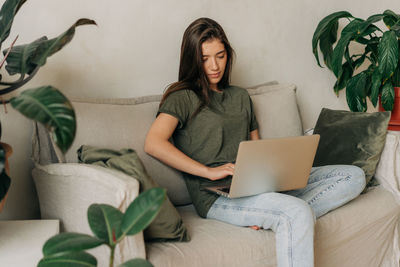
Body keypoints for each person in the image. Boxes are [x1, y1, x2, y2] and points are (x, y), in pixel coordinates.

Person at [144, 17, 366, 267]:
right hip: (217, 197)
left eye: (220, 55)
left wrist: (274, 178)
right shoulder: (182, 97)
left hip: (255, 184)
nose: (214, 66)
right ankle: (286, 215)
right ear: (192, 59)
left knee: (353, 176)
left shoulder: (240, 96)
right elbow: (154, 143)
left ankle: (279, 215)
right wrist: (208, 171)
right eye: (205, 59)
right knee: (297, 212)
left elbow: (257, 148)